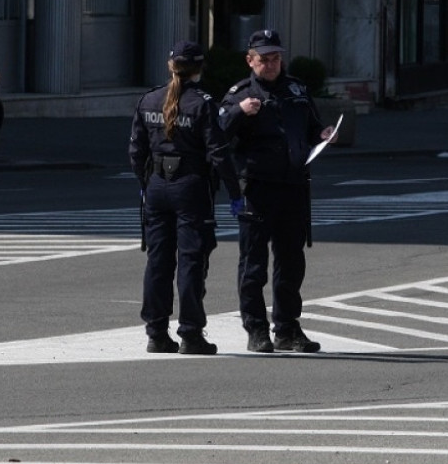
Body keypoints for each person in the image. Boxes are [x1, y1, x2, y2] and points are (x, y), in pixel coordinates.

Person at [218, 29, 337, 353]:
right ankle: (256, 329)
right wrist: (240, 111)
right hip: (257, 187)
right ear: (250, 60)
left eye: (276, 58)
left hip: (294, 186)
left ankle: (287, 328)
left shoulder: (296, 88)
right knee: (253, 263)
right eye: (264, 59)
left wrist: (324, 133)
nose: (271, 65)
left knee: (291, 261)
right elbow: (218, 134)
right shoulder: (240, 93)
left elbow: (312, 126)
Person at [129, 40, 242, 355]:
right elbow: (219, 153)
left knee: (158, 261)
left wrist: (144, 183)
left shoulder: (149, 99)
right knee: (192, 260)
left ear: (170, 66)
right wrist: (236, 194)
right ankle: (191, 334)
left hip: (156, 187)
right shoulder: (203, 103)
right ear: (200, 67)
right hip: (191, 187)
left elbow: (135, 151)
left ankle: (156, 333)